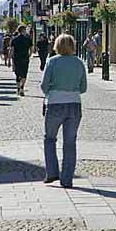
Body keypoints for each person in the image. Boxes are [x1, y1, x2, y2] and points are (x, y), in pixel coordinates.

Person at [40, 34, 88, 188]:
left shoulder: (52, 62)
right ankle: (67, 179)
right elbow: (84, 88)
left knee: (50, 139)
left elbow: (43, 86)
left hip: (55, 103)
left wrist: (51, 90)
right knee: (70, 143)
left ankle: (52, 172)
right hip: (74, 104)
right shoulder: (79, 63)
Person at [10, 25, 33, 96]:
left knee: (17, 74)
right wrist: (29, 55)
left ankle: (18, 88)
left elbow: (12, 50)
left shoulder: (14, 39)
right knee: (24, 73)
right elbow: (31, 49)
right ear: (23, 30)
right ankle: (22, 87)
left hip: (16, 59)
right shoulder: (28, 39)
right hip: (25, 58)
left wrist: (10, 59)